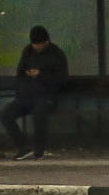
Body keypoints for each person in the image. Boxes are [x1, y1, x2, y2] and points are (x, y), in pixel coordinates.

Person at [7, 26, 69, 159]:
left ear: (46, 42)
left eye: (39, 44)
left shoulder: (57, 54)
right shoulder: (28, 51)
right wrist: (21, 89)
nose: (36, 47)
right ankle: (23, 147)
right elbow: (20, 73)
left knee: (39, 113)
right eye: (34, 44)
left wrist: (40, 75)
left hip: (47, 96)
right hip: (27, 96)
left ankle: (39, 149)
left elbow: (61, 80)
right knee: (6, 114)